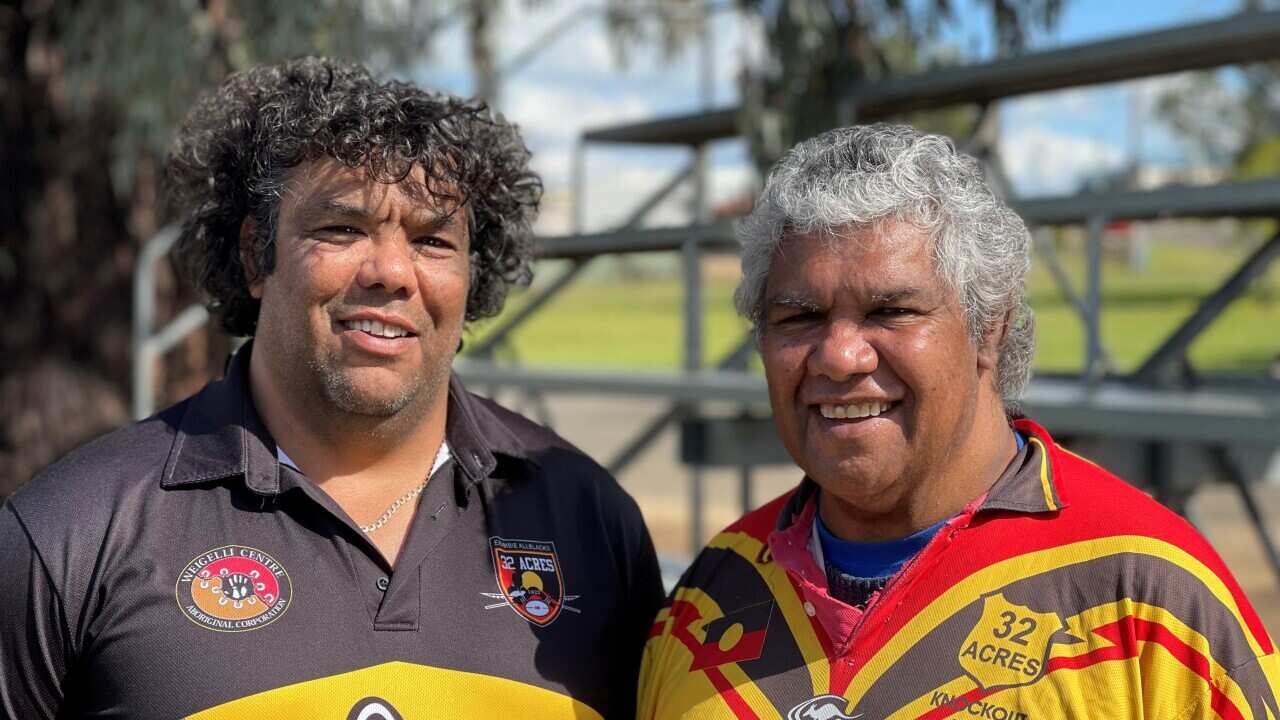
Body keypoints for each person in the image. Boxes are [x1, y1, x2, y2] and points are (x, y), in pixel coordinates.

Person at [0, 57, 663, 719]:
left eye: (433, 240)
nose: (392, 272)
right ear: (259, 254)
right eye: (342, 229)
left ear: (471, 276)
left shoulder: (589, 518)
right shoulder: (70, 532)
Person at [639, 124, 1280, 718]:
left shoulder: (1149, 598)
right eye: (798, 317)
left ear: (989, 327)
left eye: (891, 311)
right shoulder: (708, 596)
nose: (838, 355)